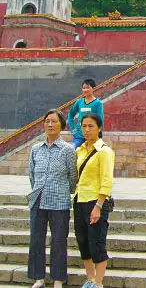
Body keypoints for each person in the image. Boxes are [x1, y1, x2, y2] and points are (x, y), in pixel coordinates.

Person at [27, 109, 77, 288]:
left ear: (62, 125)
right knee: (36, 240)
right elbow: (32, 175)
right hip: (38, 200)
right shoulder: (35, 149)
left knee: (58, 241)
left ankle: (57, 279)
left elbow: (73, 178)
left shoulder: (68, 150)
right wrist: (39, 189)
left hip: (59, 202)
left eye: (54, 121)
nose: (50, 124)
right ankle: (38, 277)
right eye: (47, 121)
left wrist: (62, 190)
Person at [73, 113, 115, 288]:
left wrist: (98, 206)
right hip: (79, 200)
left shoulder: (104, 151)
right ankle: (89, 278)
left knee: (96, 242)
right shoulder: (79, 150)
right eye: (84, 126)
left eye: (91, 126)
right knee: (82, 240)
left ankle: (98, 282)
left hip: (95, 202)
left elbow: (106, 181)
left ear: (99, 128)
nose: (87, 130)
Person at [67, 79, 104, 149]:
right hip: (79, 136)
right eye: (83, 88)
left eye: (88, 88)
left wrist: (99, 135)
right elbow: (70, 114)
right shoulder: (79, 102)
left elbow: (100, 121)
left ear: (93, 88)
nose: (85, 90)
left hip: (92, 137)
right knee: (72, 152)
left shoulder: (97, 103)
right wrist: (73, 130)